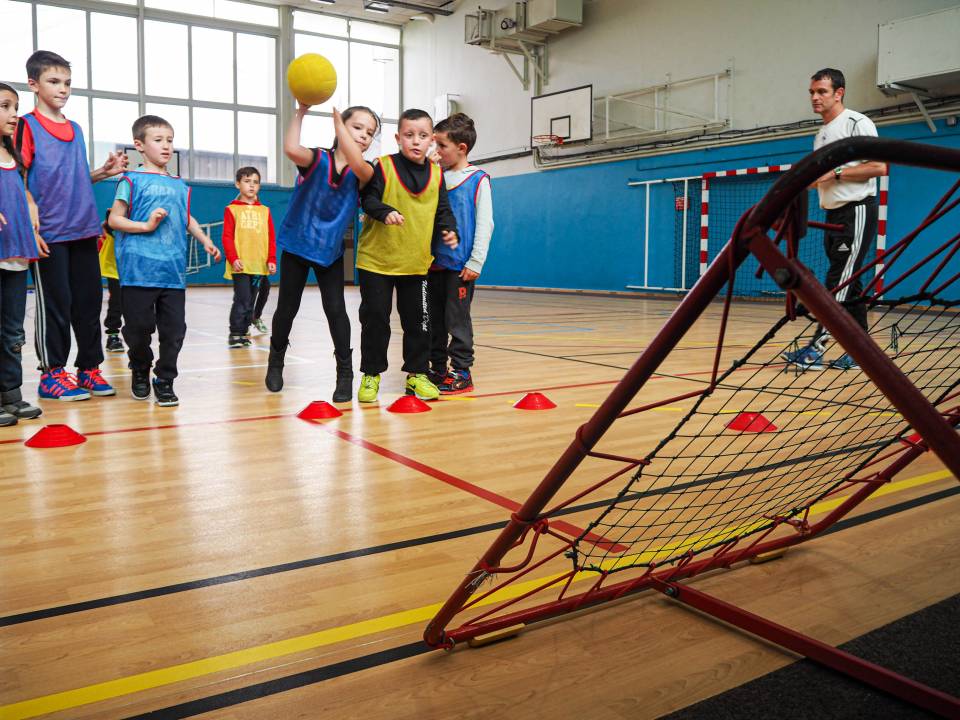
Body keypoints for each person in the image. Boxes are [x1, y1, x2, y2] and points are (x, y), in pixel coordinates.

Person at [17, 50, 127, 401]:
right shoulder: (26, 126)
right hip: (49, 234)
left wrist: (102, 173)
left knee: (88, 302)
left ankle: (89, 369)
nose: (62, 89)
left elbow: (74, 179)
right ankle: (52, 373)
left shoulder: (76, 129)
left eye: (67, 83)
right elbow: (18, 180)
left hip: (84, 230)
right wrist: (31, 231)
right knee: (56, 304)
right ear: (33, 85)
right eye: (54, 82)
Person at [266, 104, 380, 401]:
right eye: (357, 128)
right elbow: (291, 148)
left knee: (336, 311)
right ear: (340, 127)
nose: (364, 136)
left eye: (370, 133)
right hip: (298, 243)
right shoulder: (317, 159)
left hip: (330, 250)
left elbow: (357, 164)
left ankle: (345, 372)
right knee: (287, 309)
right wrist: (301, 111)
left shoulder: (365, 171)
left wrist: (341, 128)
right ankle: (276, 359)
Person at [108, 115, 221, 406]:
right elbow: (115, 219)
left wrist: (205, 239)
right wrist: (145, 226)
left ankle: (165, 378)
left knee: (174, 332)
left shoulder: (180, 185)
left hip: (172, 272)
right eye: (158, 140)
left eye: (169, 140)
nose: (166, 146)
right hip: (138, 272)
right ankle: (140, 369)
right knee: (137, 330)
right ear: (140, 145)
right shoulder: (130, 180)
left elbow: (186, 218)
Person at [785, 68, 886, 371]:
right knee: (851, 289)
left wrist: (836, 172)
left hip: (856, 210)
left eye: (822, 92)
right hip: (833, 214)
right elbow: (822, 178)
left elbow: (880, 166)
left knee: (837, 283)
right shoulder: (821, 134)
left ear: (838, 93)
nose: (815, 98)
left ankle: (815, 350)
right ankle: (862, 354)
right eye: (812, 92)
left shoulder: (857, 123)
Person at [357, 108, 458, 403]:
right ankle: (371, 375)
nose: (416, 141)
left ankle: (417, 375)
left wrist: (448, 230)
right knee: (376, 320)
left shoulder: (437, 173)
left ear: (432, 140)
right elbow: (368, 199)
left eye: (423, 136)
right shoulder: (383, 166)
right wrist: (384, 212)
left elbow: (442, 210)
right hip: (377, 262)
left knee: (419, 323)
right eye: (409, 135)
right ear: (398, 137)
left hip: (415, 264)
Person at [428, 113, 493, 395]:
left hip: (459, 267)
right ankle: (438, 369)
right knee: (434, 321)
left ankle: (463, 372)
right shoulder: (434, 177)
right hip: (431, 265)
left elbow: (485, 223)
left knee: (457, 320)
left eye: (441, 146)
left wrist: (475, 261)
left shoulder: (478, 179)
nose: (436, 152)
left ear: (461, 148)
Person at [0, 83, 44, 425]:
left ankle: (11, 394)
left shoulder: (11, 157)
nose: (14, 114)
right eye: (5, 106)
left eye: (15, 106)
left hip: (15, 256)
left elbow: (22, 197)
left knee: (12, 332)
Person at [223, 166, 276, 349]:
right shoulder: (231, 209)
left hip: (259, 264)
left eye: (255, 182)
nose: (251, 185)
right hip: (241, 264)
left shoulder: (265, 211)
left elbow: (270, 236)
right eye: (247, 181)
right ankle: (235, 333)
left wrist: (271, 259)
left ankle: (245, 329)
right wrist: (233, 258)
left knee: (253, 297)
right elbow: (227, 237)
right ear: (238, 184)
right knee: (243, 298)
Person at [98, 209, 124, 353]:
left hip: (135, 271)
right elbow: (109, 223)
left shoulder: (139, 228)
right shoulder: (112, 228)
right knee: (117, 304)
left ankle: (138, 343)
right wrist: (112, 213)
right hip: (114, 271)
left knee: (136, 307)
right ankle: (113, 336)